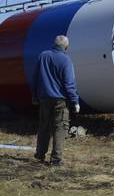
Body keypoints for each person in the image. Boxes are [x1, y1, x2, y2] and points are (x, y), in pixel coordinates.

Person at [33, 34, 80, 166]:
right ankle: (56, 159)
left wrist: (35, 96)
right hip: (60, 100)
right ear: (66, 47)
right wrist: (75, 101)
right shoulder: (66, 60)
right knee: (60, 128)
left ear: (54, 44)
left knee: (44, 126)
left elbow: (35, 78)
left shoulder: (43, 56)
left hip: (44, 98)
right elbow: (69, 83)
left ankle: (40, 154)